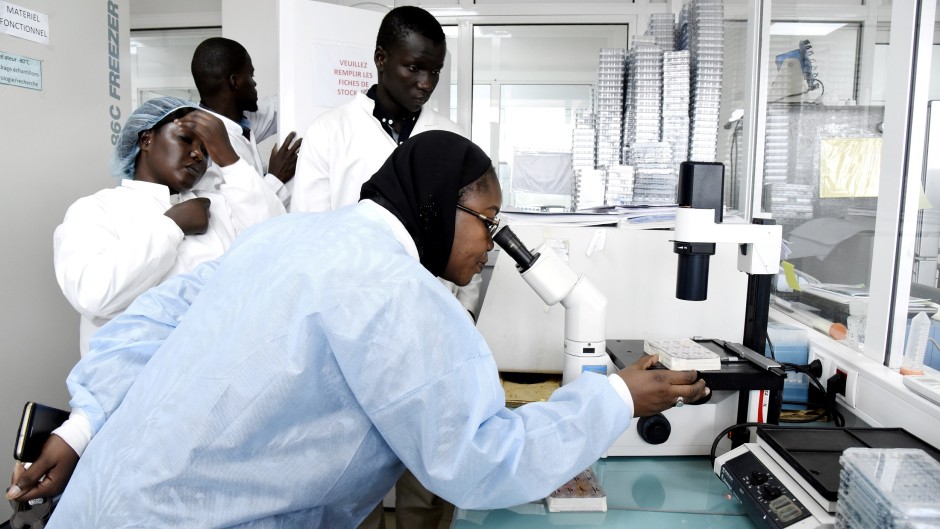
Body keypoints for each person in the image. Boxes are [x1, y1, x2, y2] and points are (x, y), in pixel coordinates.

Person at [11, 131, 708, 527]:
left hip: (101, 503)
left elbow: (148, 323)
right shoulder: (399, 293)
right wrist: (618, 398)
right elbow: (479, 460)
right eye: (486, 221)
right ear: (438, 207)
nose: (490, 244)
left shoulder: (282, 237)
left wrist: (82, 425)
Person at [40, 96, 286, 484]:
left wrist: (232, 161)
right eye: (187, 140)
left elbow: (275, 251)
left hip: (220, 410)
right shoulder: (98, 210)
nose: (197, 156)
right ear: (146, 139)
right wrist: (170, 227)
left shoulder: (216, 208)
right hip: (129, 410)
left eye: (205, 150)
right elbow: (94, 292)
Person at [291, 11, 474, 522]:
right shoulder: (331, 134)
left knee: (431, 472)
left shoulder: (451, 137)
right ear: (380, 59)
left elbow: (473, 233)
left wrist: (464, 314)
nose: (425, 82)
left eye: (435, 71)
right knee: (351, 476)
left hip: (431, 328)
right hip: (353, 333)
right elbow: (309, 239)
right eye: (415, 67)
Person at [190, 37, 303, 208]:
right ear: (235, 81)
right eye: (251, 74)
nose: (254, 82)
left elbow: (279, 105)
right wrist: (276, 178)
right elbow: (232, 217)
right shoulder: (200, 148)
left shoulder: (238, 121)